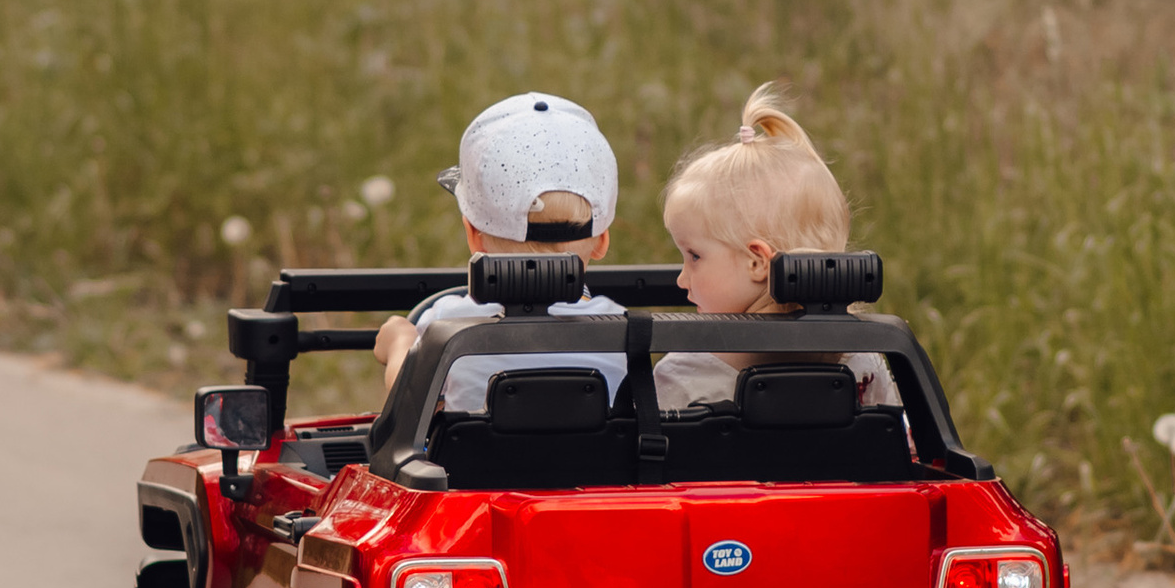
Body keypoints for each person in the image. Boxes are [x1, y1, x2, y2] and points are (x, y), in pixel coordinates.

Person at [374, 91, 628, 415]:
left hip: (467, 467)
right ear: (602, 240)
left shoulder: (445, 323)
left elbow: (408, 402)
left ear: (474, 236)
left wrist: (400, 344)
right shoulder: (620, 328)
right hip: (594, 466)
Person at [655, 86, 899, 411]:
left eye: (694, 256)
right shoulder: (864, 361)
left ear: (757, 261)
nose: (682, 280)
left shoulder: (682, 377)